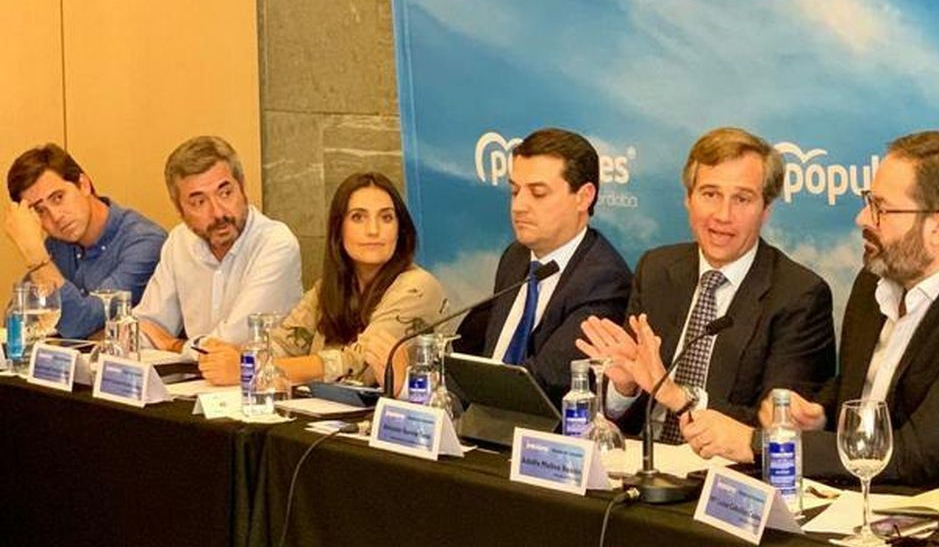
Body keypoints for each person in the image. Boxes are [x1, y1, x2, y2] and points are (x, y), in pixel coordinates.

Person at [710, 130, 939, 486]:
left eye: (880, 208)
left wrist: (759, 443)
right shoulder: (873, 281)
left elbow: (910, 456)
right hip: (852, 500)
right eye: (868, 201)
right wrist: (818, 415)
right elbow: (867, 390)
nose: (862, 219)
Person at [576, 127, 835, 447]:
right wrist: (625, 387)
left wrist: (677, 396)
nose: (723, 215)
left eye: (741, 199)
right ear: (688, 199)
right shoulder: (656, 269)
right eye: (710, 194)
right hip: (644, 466)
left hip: (725, 480)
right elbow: (626, 417)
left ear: (766, 210)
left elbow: (779, 428)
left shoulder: (799, 295)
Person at [195, 172, 446, 388]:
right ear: (339, 229)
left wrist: (251, 369)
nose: (373, 230)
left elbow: (359, 365)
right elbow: (282, 344)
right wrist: (237, 356)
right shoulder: (328, 288)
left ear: (401, 230)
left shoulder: (419, 288)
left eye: (386, 217)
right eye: (358, 217)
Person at [457, 128, 630, 404]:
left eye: (537, 193)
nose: (519, 206)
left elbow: (547, 382)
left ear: (584, 197)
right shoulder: (515, 257)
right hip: (485, 423)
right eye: (514, 191)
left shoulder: (604, 279)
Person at [135, 136, 303, 351]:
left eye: (225, 193)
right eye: (199, 202)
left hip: (257, 380)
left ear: (242, 188)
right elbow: (148, 324)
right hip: (197, 381)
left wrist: (174, 345)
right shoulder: (180, 241)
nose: (218, 212)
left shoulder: (276, 245)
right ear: (179, 209)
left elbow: (232, 343)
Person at [4, 144, 166, 339]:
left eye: (58, 197)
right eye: (40, 210)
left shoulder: (145, 242)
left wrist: (36, 257)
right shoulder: (57, 244)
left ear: (84, 184)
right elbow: (15, 320)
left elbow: (80, 323)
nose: (55, 217)